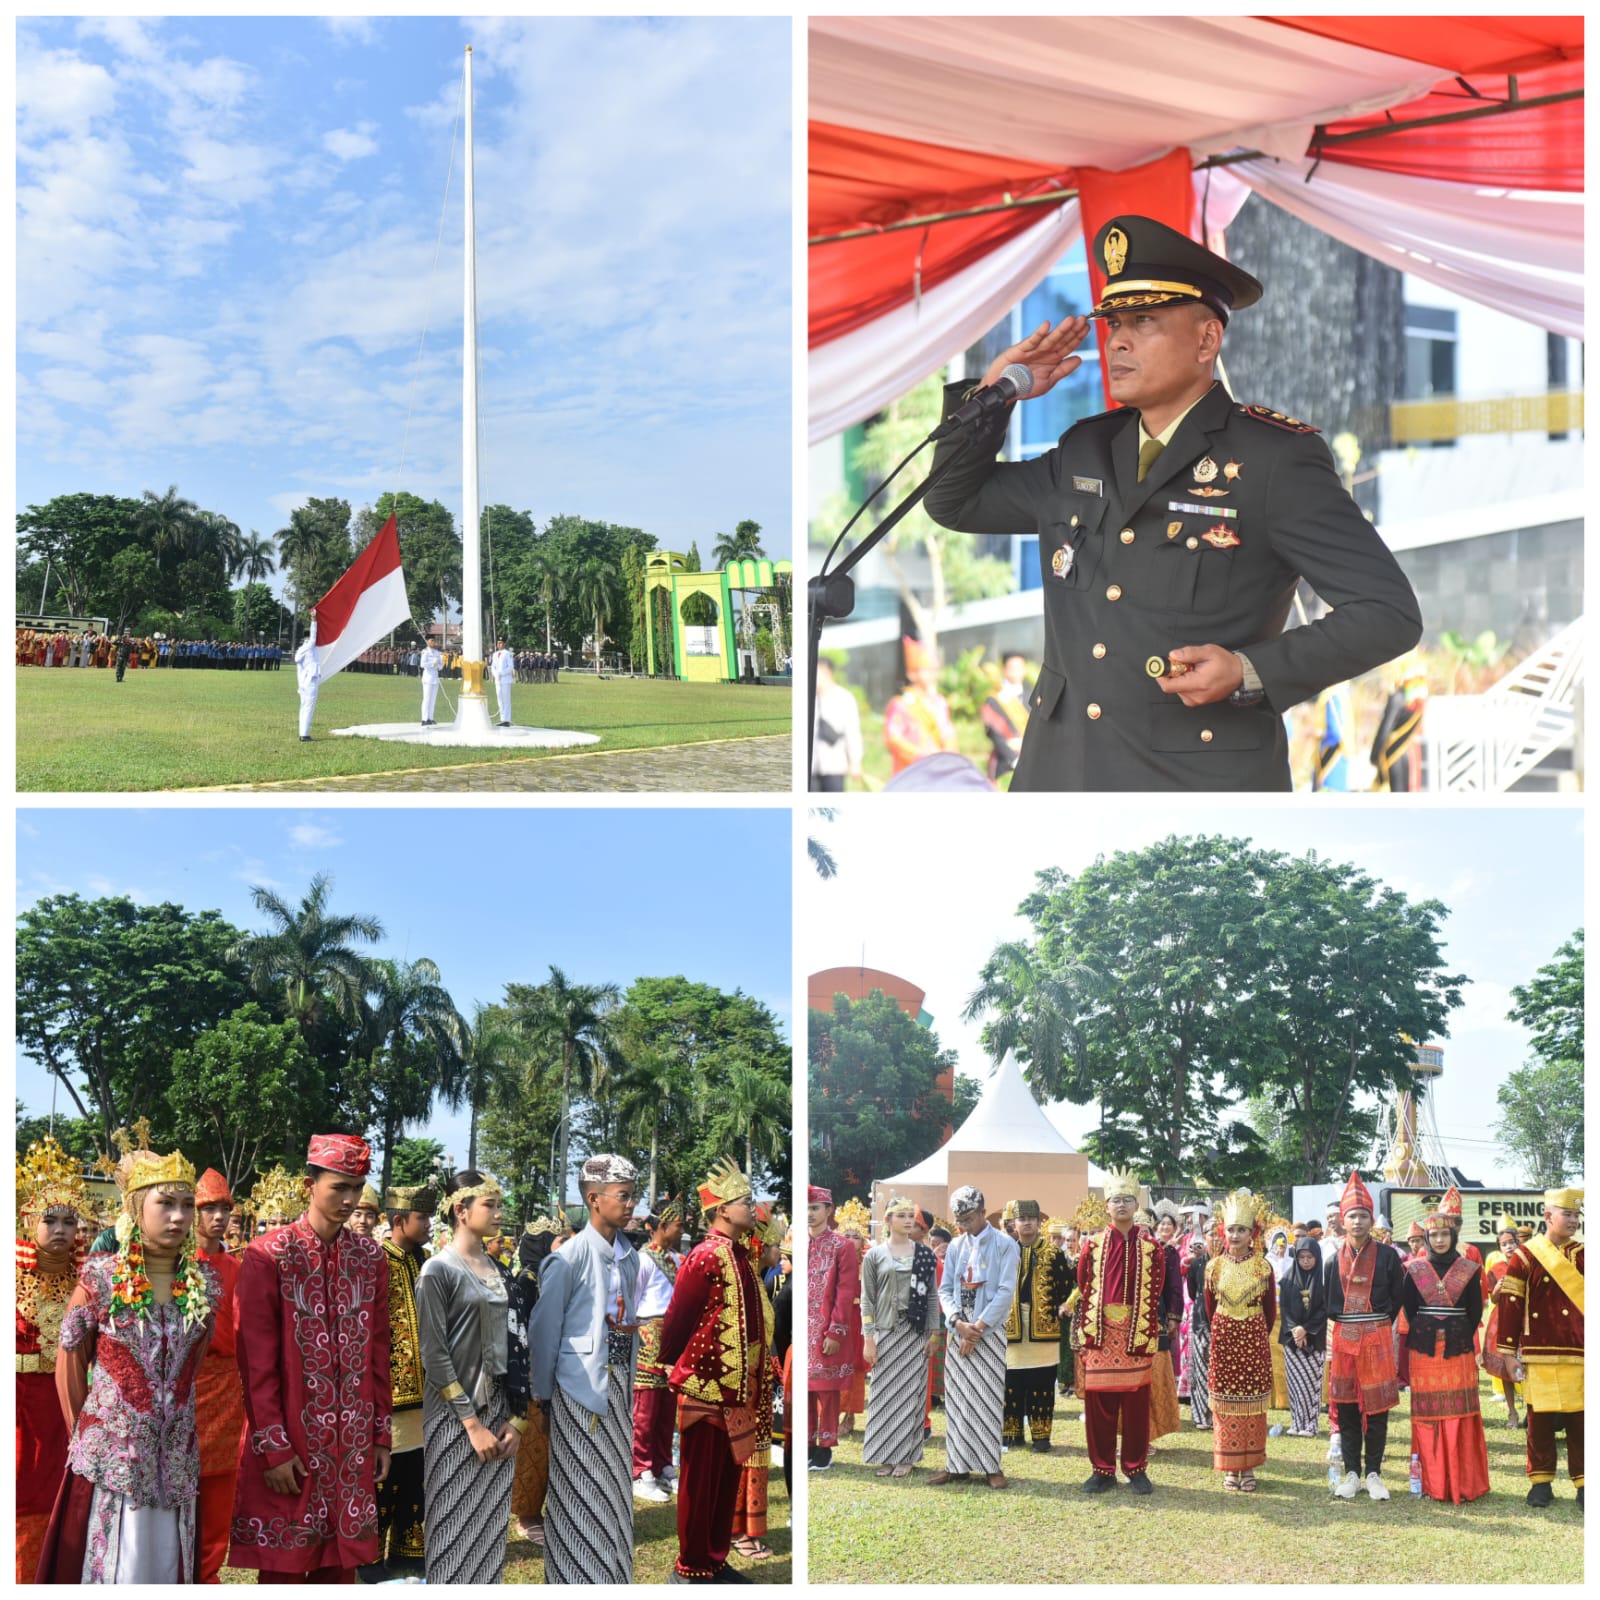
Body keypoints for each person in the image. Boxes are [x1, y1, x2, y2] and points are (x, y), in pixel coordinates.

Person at [927, 213, 1422, 792]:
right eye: (1113, 325)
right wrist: (994, 396)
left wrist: (1249, 671)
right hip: (1060, 777)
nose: (1119, 340)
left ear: (1207, 339)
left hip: (1193, 788)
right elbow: (955, 504)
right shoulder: (1085, 447)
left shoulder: (1274, 460)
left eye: (1144, 322)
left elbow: (1387, 613)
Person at [37, 1146, 219, 1583]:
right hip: (110, 1460)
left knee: (167, 1561)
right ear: (137, 1207)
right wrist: (92, 1432)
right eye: (165, 1204)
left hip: (174, 1454)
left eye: (186, 1206)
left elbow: (193, 1365)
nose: (178, 1217)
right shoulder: (99, 1279)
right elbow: (70, 1363)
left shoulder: (204, 1285)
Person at [230, 1134, 392, 1581]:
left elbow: (379, 1348)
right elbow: (255, 1364)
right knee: (284, 1570)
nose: (349, 1199)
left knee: (340, 1569)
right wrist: (273, 1447)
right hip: (293, 1440)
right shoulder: (268, 1255)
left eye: (356, 1189)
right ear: (309, 1185)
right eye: (338, 1187)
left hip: (352, 1441)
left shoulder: (369, 1258)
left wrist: (380, 1433)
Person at [528, 1154, 640, 1584]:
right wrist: (542, 1396)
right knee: (578, 1490)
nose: (631, 1205)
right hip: (578, 1389)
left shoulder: (627, 1256)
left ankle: (611, 1577)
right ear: (594, 1199)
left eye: (633, 1196)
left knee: (612, 1489)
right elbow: (544, 1331)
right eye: (623, 1196)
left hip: (618, 1388)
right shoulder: (568, 1258)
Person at [658, 1157, 766, 1584]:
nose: (752, 1209)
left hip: (738, 1390)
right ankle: (691, 1565)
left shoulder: (739, 1255)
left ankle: (714, 1558)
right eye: (746, 1201)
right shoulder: (705, 1256)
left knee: (725, 1478)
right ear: (723, 1209)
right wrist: (671, 1368)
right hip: (706, 1387)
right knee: (700, 1482)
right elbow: (678, 1318)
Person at [418, 1169, 526, 1584]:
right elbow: (434, 1353)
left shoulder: (501, 1270)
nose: (499, 1213)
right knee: (453, 1527)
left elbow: (519, 1343)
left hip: (500, 1411)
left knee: (490, 1529)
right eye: (490, 1205)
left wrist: (517, 1418)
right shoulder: (437, 1271)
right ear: (461, 1210)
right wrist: (471, 1423)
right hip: (455, 1415)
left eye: (499, 1204)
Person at [16, 1136, 88, 1581]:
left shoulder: (87, 1281)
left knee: (63, 1496)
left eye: (69, 1220)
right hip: (19, 1408)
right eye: (50, 1219)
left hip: (67, 1406)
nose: (61, 1229)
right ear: (28, 1223)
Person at [1075, 1168, 1167, 1493]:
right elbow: (1084, 1282)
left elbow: (1157, 1288)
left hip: (1135, 1335)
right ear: (1107, 1206)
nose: (1122, 1205)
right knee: (1099, 1405)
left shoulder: (1152, 1248)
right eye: (1116, 1200)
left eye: (1128, 1199)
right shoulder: (1093, 1245)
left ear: (1137, 1204)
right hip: (1101, 1335)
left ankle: (1135, 1468)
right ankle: (1102, 1470)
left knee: (1136, 1406)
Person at [1494, 1185, 1584, 1507]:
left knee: (1582, 1423)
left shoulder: (1586, 1254)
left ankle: (1586, 1485)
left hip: (1581, 1355)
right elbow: (1511, 1304)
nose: (1574, 1220)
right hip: (1539, 1355)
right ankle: (1541, 1483)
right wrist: (1506, 1355)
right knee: (1539, 1423)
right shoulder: (1525, 1256)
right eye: (1567, 1214)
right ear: (1548, 1216)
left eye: (1577, 1215)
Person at [1399, 1187, 1488, 1504]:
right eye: (1433, 1235)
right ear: (1425, 1238)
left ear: (1453, 1235)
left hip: (1458, 1348)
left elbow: (1475, 1310)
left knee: (1459, 1410)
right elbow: (1409, 1306)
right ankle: (1433, 1481)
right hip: (1425, 1350)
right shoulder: (1414, 1269)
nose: (1439, 1240)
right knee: (1429, 1413)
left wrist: (1452, 1327)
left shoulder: (1469, 1268)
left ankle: (1462, 1481)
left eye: (1444, 1234)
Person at [930, 1186, 1018, 1490]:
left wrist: (976, 1329)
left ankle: (990, 1466)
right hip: (958, 1332)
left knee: (988, 1398)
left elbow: (1006, 1292)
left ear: (983, 1212)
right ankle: (956, 1465)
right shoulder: (955, 1246)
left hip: (989, 1332)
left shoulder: (1006, 1245)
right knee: (957, 1400)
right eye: (960, 1221)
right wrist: (957, 1323)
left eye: (968, 1219)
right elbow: (945, 1289)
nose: (964, 1226)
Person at [1325, 1170, 1405, 1501]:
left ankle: (1374, 1473)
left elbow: (1399, 1297)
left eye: (1363, 1216)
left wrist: (1378, 1321)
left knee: (1376, 1408)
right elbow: (1327, 1301)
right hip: (1345, 1337)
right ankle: (1352, 1474)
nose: (1357, 1222)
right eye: (1352, 1216)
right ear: (1342, 1221)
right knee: (1345, 1407)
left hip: (1377, 1335)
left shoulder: (1387, 1256)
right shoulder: (1332, 1260)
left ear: (1371, 1220)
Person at [372, 1183, 435, 1579]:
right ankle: (370, 1555)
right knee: (382, 1479)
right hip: (389, 1393)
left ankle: (409, 1550)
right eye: (422, 1217)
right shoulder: (376, 1261)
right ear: (399, 1221)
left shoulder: (426, 1260)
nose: (429, 1224)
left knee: (416, 1475)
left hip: (424, 1392)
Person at [191, 1168, 247, 1585]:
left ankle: (208, 1572)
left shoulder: (237, 1266)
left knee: (219, 1483)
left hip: (228, 1386)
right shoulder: (174, 1264)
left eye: (223, 1210)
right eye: (208, 1208)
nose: (217, 1217)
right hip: (186, 1383)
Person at [860, 1196, 941, 1478]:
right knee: (884, 1394)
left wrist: (934, 1334)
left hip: (915, 1331)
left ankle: (906, 1455)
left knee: (911, 1394)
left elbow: (932, 1296)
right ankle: (885, 1454)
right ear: (888, 1220)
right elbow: (867, 1299)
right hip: (885, 1330)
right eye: (902, 1215)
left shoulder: (925, 1255)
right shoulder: (874, 1255)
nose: (908, 1221)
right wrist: (868, 1337)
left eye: (911, 1216)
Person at [1204, 1190, 1276, 1493]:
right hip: (1224, 1339)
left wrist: (1253, 1333)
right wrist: (1226, 1330)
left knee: (1252, 1407)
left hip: (1253, 1338)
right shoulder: (1213, 1267)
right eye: (1231, 1229)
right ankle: (1230, 1468)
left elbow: (1270, 1310)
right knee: (1225, 1405)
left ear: (1252, 1233)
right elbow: (1210, 1308)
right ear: (1224, 1231)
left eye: (1241, 1230)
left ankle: (1248, 1468)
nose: (1235, 1235)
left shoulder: (1263, 1266)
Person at [731, 1205, 785, 1562]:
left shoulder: (756, 1280)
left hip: (760, 1385)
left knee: (757, 1455)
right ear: (761, 1246)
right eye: (776, 1245)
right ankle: (736, 1531)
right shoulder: (746, 1281)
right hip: (744, 1388)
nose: (780, 1252)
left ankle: (748, 1528)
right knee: (743, 1456)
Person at [1002, 1198, 1073, 1453]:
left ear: (1039, 1222)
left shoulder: (1053, 1253)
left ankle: (1041, 1436)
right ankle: (1012, 1433)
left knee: (1042, 1383)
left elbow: (1069, 1285)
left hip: (1044, 1327)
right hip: (1011, 1326)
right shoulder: (1006, 1250)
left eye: (1032, 1219)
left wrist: (1064, 1305)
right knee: (1011, 1381)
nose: (1027, 1223)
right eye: (1022, 1219)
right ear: (1014, 1223)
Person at [508, 1218, 558, 1546]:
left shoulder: (546, 1277)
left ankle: (538, 1511)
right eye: (554, 1242)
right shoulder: (524, 1282)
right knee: (532, 1451)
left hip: (547, 1376)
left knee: (545, 1449)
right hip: (529, 1380)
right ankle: (526, 1516)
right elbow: (520, 1333)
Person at [633, 1201, 686, 1503]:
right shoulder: (643, 1261)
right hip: (648, 1339)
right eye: (677, 1224)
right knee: (646, 1410)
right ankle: (641, 1471)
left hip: (671, 1339)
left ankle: (664, 1465)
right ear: (663, 1226)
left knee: (668, 1407)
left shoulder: (677, 1260)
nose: (681, 1229)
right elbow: (633, 1302)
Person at [806, 1185, 859, 1472]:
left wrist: (835, 1331)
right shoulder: (798, 1245)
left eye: (815, 1208)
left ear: (829, 1210)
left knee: (827, 1390)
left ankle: (825, 1448)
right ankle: (807, 1444)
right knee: (803, 1391)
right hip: (801, 1331)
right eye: (806, 1209)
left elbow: (845, 1290)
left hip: (826, 1329)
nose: (810, 1214)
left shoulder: (842, 1246)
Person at [883, 636, 959, 774]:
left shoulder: (940, 702)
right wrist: (923, 755)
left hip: (941, 766)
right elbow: (893, 738)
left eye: (933, 670)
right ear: (911, 674)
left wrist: (947, 753)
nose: (931, 675)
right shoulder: (901, 704)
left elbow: (948, 732)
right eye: (926, 670)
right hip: (914, 770)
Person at [1279, 1236, 1328, 1438]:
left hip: (1314, 1338)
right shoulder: (1288, 1279)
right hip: (1292, 1340)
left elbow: (1324, 1309)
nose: (1306, 1261)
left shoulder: (1324, 1280)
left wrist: (1306, 1329)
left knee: (1310, 1383)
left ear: (1317, 1257)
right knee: (1295, 1383)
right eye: (1302, 1257)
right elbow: (1285, 1308)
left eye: (1310, 1257)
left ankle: (1310, 1425)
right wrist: (1296, 1330)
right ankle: (1296, 1422)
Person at [1482, 1216, 1526, 1428]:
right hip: (1501, 1321)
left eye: (1512, 1242)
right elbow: (1493, 1298)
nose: (1509, 1246)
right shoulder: (1496, 1267)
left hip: (1525, 1322)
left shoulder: (1528, 1263)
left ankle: (1530, 1413)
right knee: (1505, 1371)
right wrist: (1499, 1286)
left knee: (1527, 1369)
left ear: (1519, 1243)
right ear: (1500, 1247)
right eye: (1504, 1244)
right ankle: (1512, 1413)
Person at [811, 657, 864, 791]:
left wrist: (855, 762)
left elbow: (852, 732)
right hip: (810, 768)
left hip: (834, 765)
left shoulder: (844, 698)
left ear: (827, 672)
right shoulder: (809, 697)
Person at [980, 651, 1031, 780]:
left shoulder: (1033, 697)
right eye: (1012, 668)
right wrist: (1013, 759)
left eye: (1019, 668)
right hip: (1004, 763)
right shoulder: (993, 700)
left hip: (1031, 759)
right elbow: (994, 734)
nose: (1016, 672)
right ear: (1004, 670)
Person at [294, 609, 320, 741]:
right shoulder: (309, 646)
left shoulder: (301, 649)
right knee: (308, 707)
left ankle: (303, 733)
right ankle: (304, 735)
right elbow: (314, 635)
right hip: (309, 682)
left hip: (303, 683)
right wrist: (314, 619)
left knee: (304, 707)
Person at [490, 637, 515, 726]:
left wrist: (502, 673)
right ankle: (502, 719)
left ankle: (507, 720)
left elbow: (510, 666)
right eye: (498, 643)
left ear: (504, 644)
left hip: (505, 679)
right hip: (498, 680)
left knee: (506, 700)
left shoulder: (507, 654)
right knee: (499, 699)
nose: (499, 644)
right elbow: (492, 666)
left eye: (501, 643)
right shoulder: (495, 654)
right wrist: (495, 674)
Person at [419, 638, 444, 725]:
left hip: (435, 678)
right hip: (428, 678)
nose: (432, 642)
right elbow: (422, 664)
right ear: (427, 642)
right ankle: (424, 719)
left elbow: (441, 665)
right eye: (431, 640)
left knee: (433, 699)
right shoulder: (425, 652)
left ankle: (430, 718)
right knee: (426, 699)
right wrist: (432, 664)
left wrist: (438, 666)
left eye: (434, 640)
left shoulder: (437, 653)